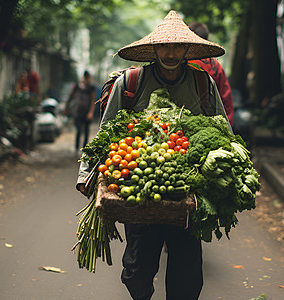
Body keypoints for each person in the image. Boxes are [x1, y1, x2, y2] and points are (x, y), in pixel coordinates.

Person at [76, 10, 229, 300]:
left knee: (187, 279)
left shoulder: (202, 83)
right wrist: (86, 174)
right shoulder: (131, 83)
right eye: (164, 46)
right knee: (136, 272)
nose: (170, 53)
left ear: (186, 50)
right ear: (154, 49)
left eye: (177, 46)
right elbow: (106, 132)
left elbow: (224, 133)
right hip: (139, 188)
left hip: (187, 192)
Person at [188, 22, 234, 127]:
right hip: (210, 123)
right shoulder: (214, 65)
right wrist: (227, 128)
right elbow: (226, 101)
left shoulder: (179, 63)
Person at [65, 70, 97, 152]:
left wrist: (90, 112)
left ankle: (84, 149)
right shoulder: (77, 86)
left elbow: (93, 101)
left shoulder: (91, 87)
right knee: (78, 130)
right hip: (78, 111)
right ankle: (76, 148)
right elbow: (71, 97)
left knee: (86, 131)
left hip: (87, 112)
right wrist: (66, 107)